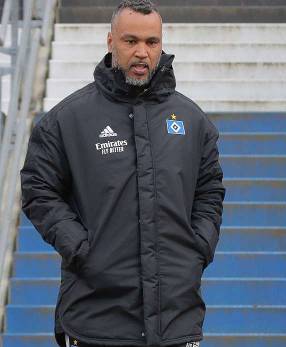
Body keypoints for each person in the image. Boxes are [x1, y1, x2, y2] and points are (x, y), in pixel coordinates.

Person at [20, 1, 225, 346]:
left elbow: (209, 193)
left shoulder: (193, 121)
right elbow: (38, 189)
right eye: (131, 41)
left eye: (152, 42)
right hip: (94, 320)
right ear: (110, 41)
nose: (142, 52)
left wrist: (198, 248)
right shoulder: (67, 120)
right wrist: (82, 249)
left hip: (175, 320)